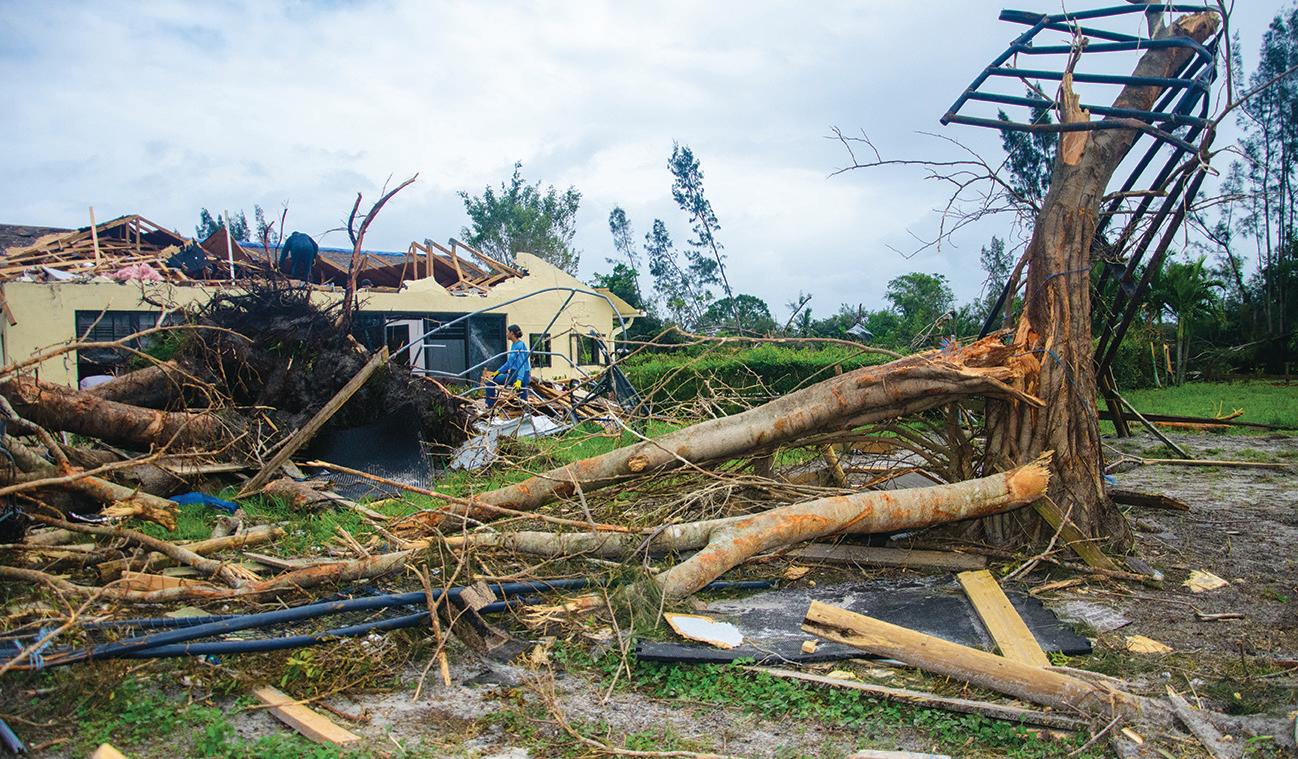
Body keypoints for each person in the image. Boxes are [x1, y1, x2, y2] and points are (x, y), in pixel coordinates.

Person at [486, 324, 531, 408]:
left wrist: (519, 379)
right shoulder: (514, 345)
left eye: (508, 332)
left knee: (522, 389)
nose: (506, 334)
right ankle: (490, 406)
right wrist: (498, 371)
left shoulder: (520, 345)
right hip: (513, 375)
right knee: (490, 382)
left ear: (512, 333)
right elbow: (509, 363)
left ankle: (524, 408)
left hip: (522, 375)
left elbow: (521, 365)